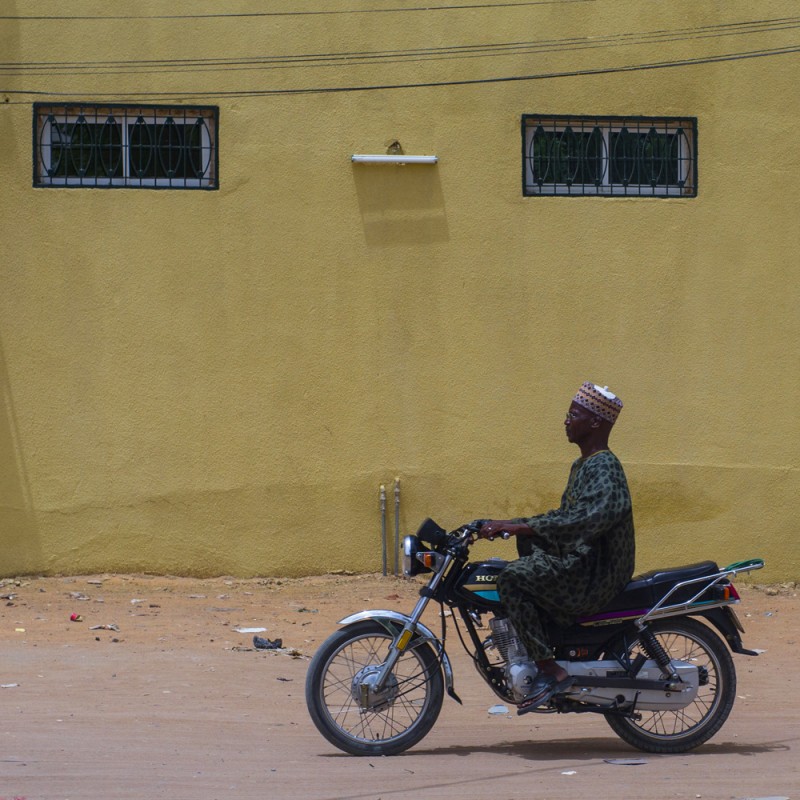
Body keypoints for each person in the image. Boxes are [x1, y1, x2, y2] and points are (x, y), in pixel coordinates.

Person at [478, 382, 635, 713]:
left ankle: (551, 670)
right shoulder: (583, 465)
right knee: (515, 565)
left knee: (512, 579)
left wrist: (520, 526)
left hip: (596, 571)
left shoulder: (605, 466)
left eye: (573, 414)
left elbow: (585, 521)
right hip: (584, 563)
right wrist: (507, 524)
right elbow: (564, 517)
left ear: (594, 422)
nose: (566, 420)